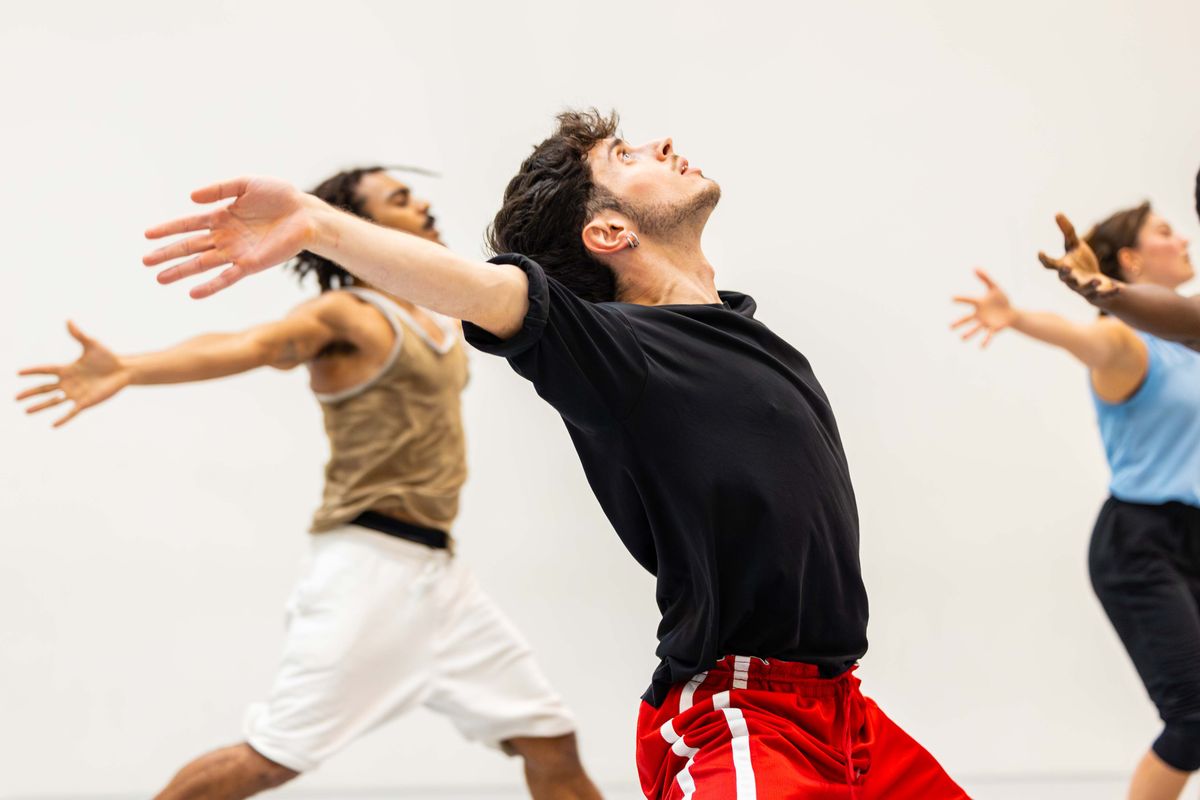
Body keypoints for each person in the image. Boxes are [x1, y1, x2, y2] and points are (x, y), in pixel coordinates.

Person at [139, 109, 967, 798]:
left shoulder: (740, 332)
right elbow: (497, 296)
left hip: (844, 710)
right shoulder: (619, 354)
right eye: (625, 155)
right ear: (607, 228)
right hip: (744, 717)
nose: (661, 145)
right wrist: (320, 225)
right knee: (285, 746)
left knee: (548, 745)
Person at [16, 166, 600, 800]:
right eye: (401, 199)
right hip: (370, 566)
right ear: (362, 225)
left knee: (549, 741)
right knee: (271, 759)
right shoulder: (347, 314)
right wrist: (130, 368)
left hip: (439, 575)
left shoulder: (440, 311)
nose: (424, 203)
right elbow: (251, 344)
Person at [953, 202, 1200, 800]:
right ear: (1133, 260)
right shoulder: (1125, 341)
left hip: (1193, 536)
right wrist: (1015, 317)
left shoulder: (1192, 336)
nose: (1184, 239)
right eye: (1165, 233)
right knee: (1194, 720)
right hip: (1141, 546)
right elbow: (1085, 338)